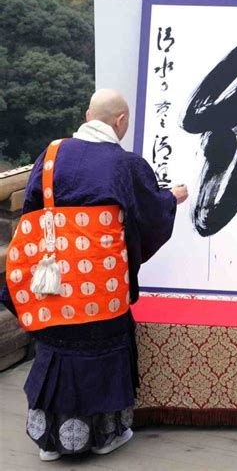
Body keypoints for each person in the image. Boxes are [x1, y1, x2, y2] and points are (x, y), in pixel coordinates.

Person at [1, 88, 188, 461]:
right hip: (101, 287)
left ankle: (48, 441)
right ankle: (104, 437)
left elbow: (35, 211)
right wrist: (172, 198)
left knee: (55, 347)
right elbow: (149, 214)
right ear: (120, 122)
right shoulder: (126, 165)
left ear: (88, 116)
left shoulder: (51, 155)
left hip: (54, 280)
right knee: (101, 350)